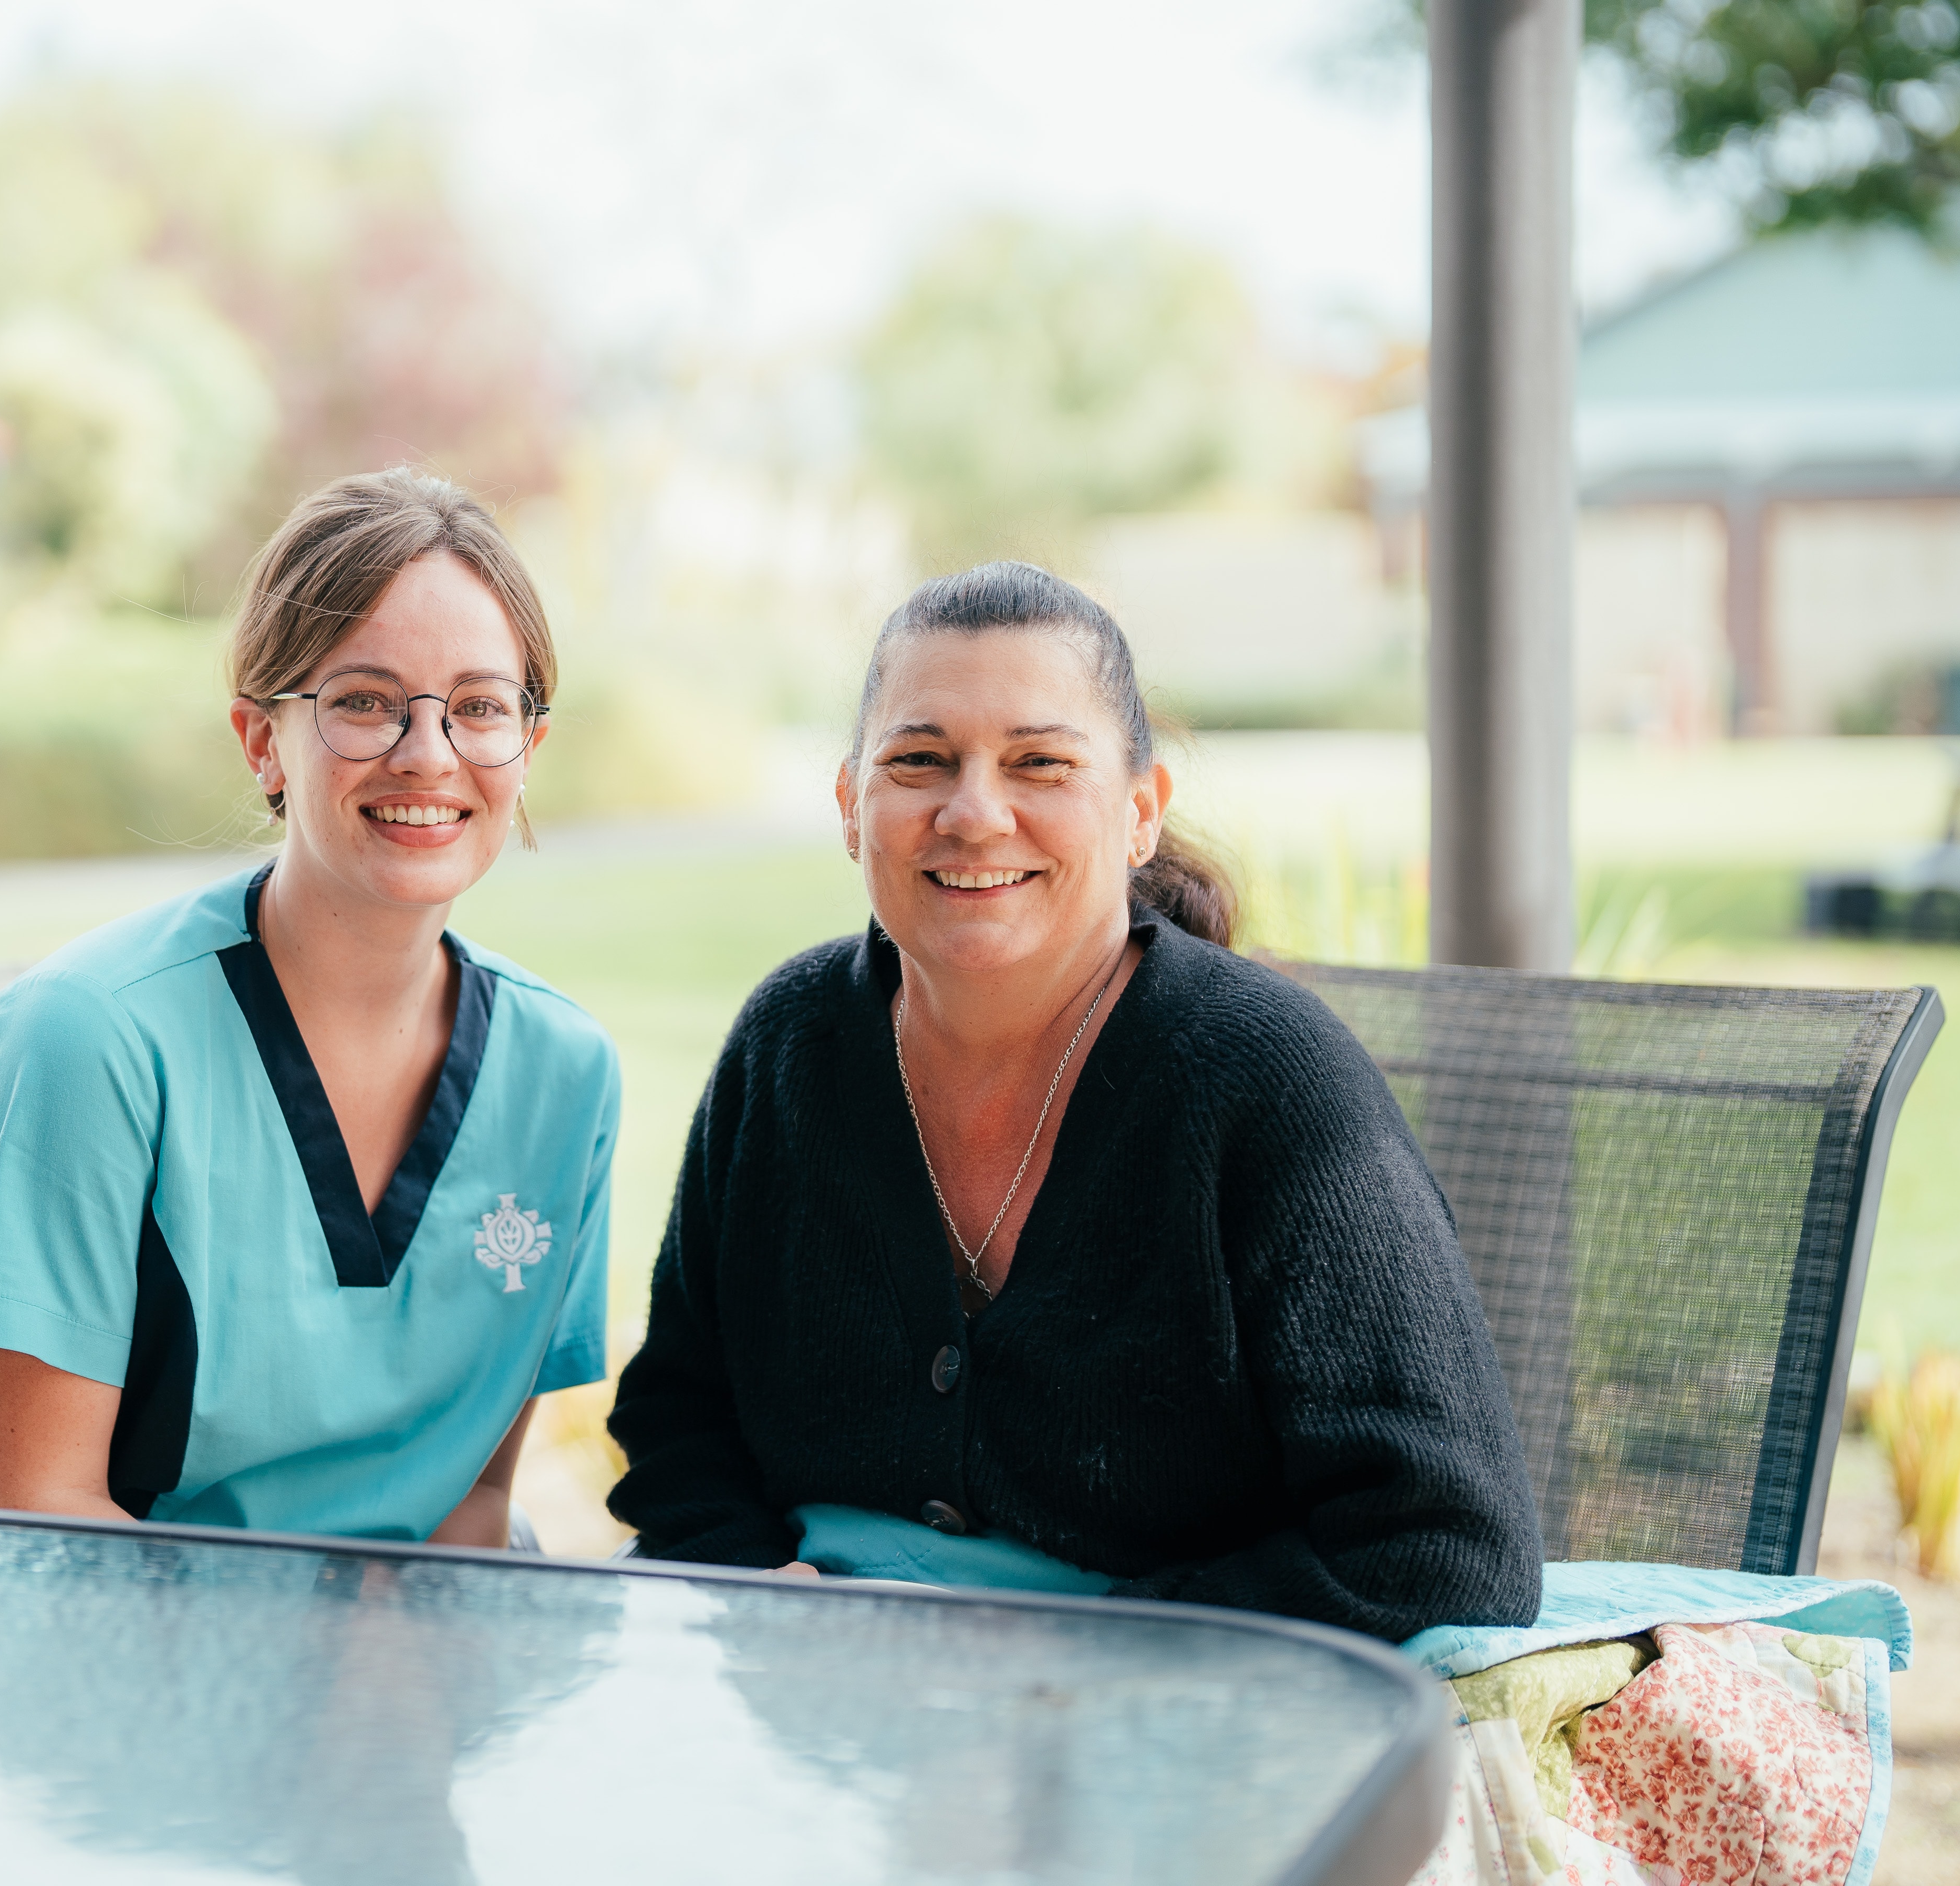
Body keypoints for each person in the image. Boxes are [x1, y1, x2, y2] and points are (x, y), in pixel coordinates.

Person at [604, 561, 1541, 1640]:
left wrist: (1071, 1667)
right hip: (818, 1687)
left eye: (1038, 762)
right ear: (850, 807)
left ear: (1140, 811)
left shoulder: (1270, 1083)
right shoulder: (789, 1045)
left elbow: (1446, 1545)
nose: (972, 811)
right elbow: (680, 1413)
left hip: (1159, 1713)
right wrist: (750, 1585)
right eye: (918, 761)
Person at [0, 469, 619, 1546]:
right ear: (262, 739)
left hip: (400, 1667)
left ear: (526, 749)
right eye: (363, 700)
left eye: (480, 707)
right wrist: (312, 1685)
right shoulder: (86, 1042)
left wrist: (414, 1684)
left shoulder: (563, 1073)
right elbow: (33, 1516)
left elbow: (469, 1498)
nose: (427, 751)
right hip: (90, 1659)